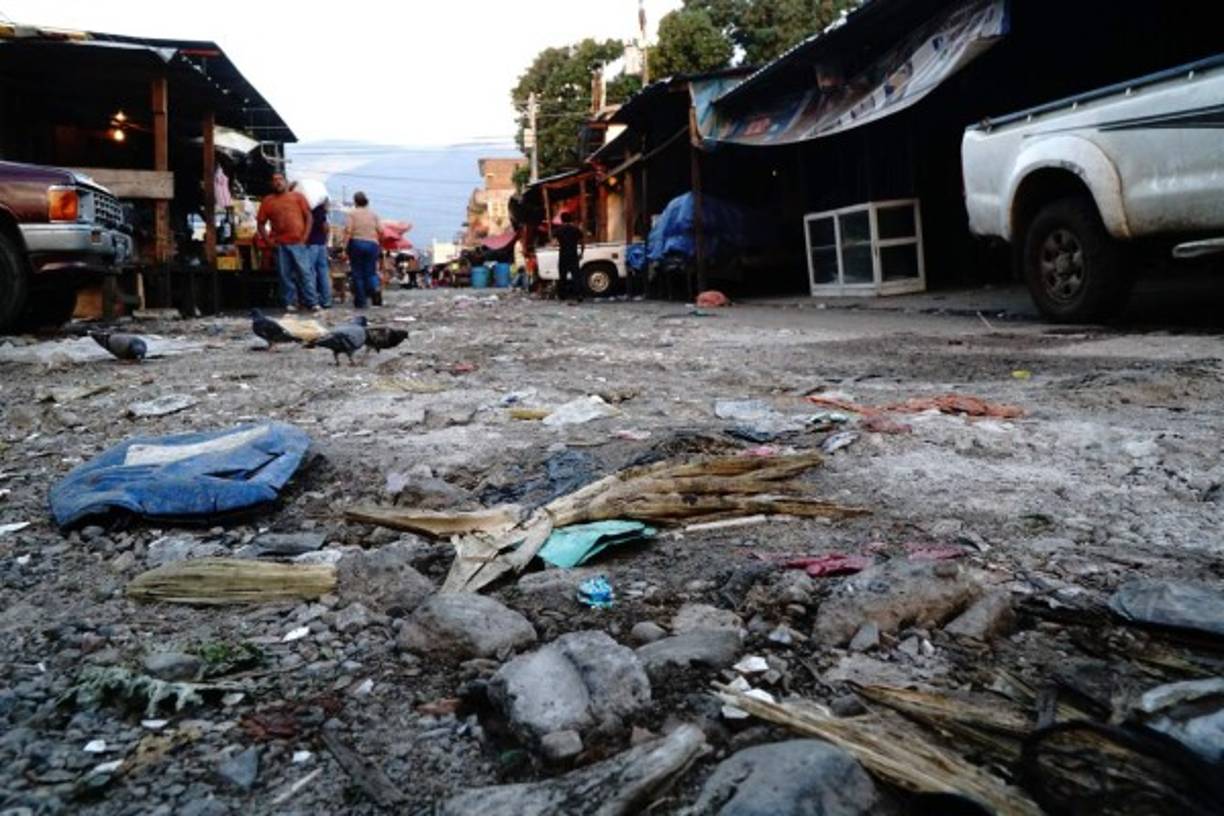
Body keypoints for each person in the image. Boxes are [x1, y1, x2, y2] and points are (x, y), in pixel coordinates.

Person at [257, 172, 318, 312]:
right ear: (272, 184)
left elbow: (309, 217)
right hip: (280, 244)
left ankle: (312, 301)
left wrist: (305, 237)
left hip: (298, 242)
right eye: (275, 180)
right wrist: (268, 241)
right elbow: (260, 223)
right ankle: (290, 302)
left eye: (280, 179)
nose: (277, 182)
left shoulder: (298, 197)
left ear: (286, 181)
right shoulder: (268, 201)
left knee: (305, 273)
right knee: (285, 275)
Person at [343, 191, 383, 308]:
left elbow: (348, 231)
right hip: (372, 244)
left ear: (355, 202)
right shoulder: (374, 215)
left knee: (358, 273)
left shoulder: (352, 214)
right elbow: (381, 231)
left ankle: (361, 301)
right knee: (371, 272)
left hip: (357, 243)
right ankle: (376, 292)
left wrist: (344, 247)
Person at [305, 195, 333, 309]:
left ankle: (313, 300)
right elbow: (326, 228)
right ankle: (326, 300)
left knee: (310, 272)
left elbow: (324, 226)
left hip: (312, 243)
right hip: (321, 244)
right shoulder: (323, 212)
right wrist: (325, 240)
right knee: (323, 272)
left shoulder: (313, 211)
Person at [553, 211, 584, 301]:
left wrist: (560, 243)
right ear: (571, 219)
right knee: (576, 277)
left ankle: (562, 296)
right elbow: (582, 243)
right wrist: (581, 253)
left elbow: (554, 243)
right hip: (573, 256)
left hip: (563, 256)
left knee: (562, 276)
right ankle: (579, 295)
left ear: (562, 220)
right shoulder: (576, 229)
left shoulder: (558, 230)